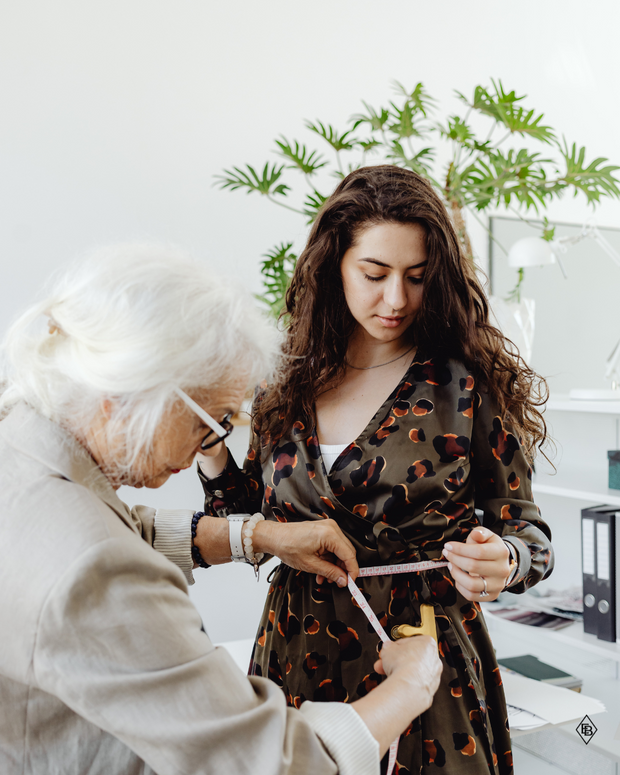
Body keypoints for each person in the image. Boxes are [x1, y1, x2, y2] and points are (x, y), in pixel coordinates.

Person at [0, 244, 443, 775]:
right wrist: (410, 690)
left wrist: (259, 538)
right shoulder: (93, 566)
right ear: (132, 390)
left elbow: (121, 531)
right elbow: (269, 765)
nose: (209, 445)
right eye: (211, 421)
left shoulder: (21, 447)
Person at [197, 166, 555, 775]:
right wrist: (208, 449)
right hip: (295, 648)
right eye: (374, 274)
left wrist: (508, 560)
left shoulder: (464, 384)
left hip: (420, 654)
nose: (396, 300)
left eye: (417, 278)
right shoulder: (284, 381)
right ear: (333, 265)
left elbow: (529, 536)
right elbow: (244, 521)